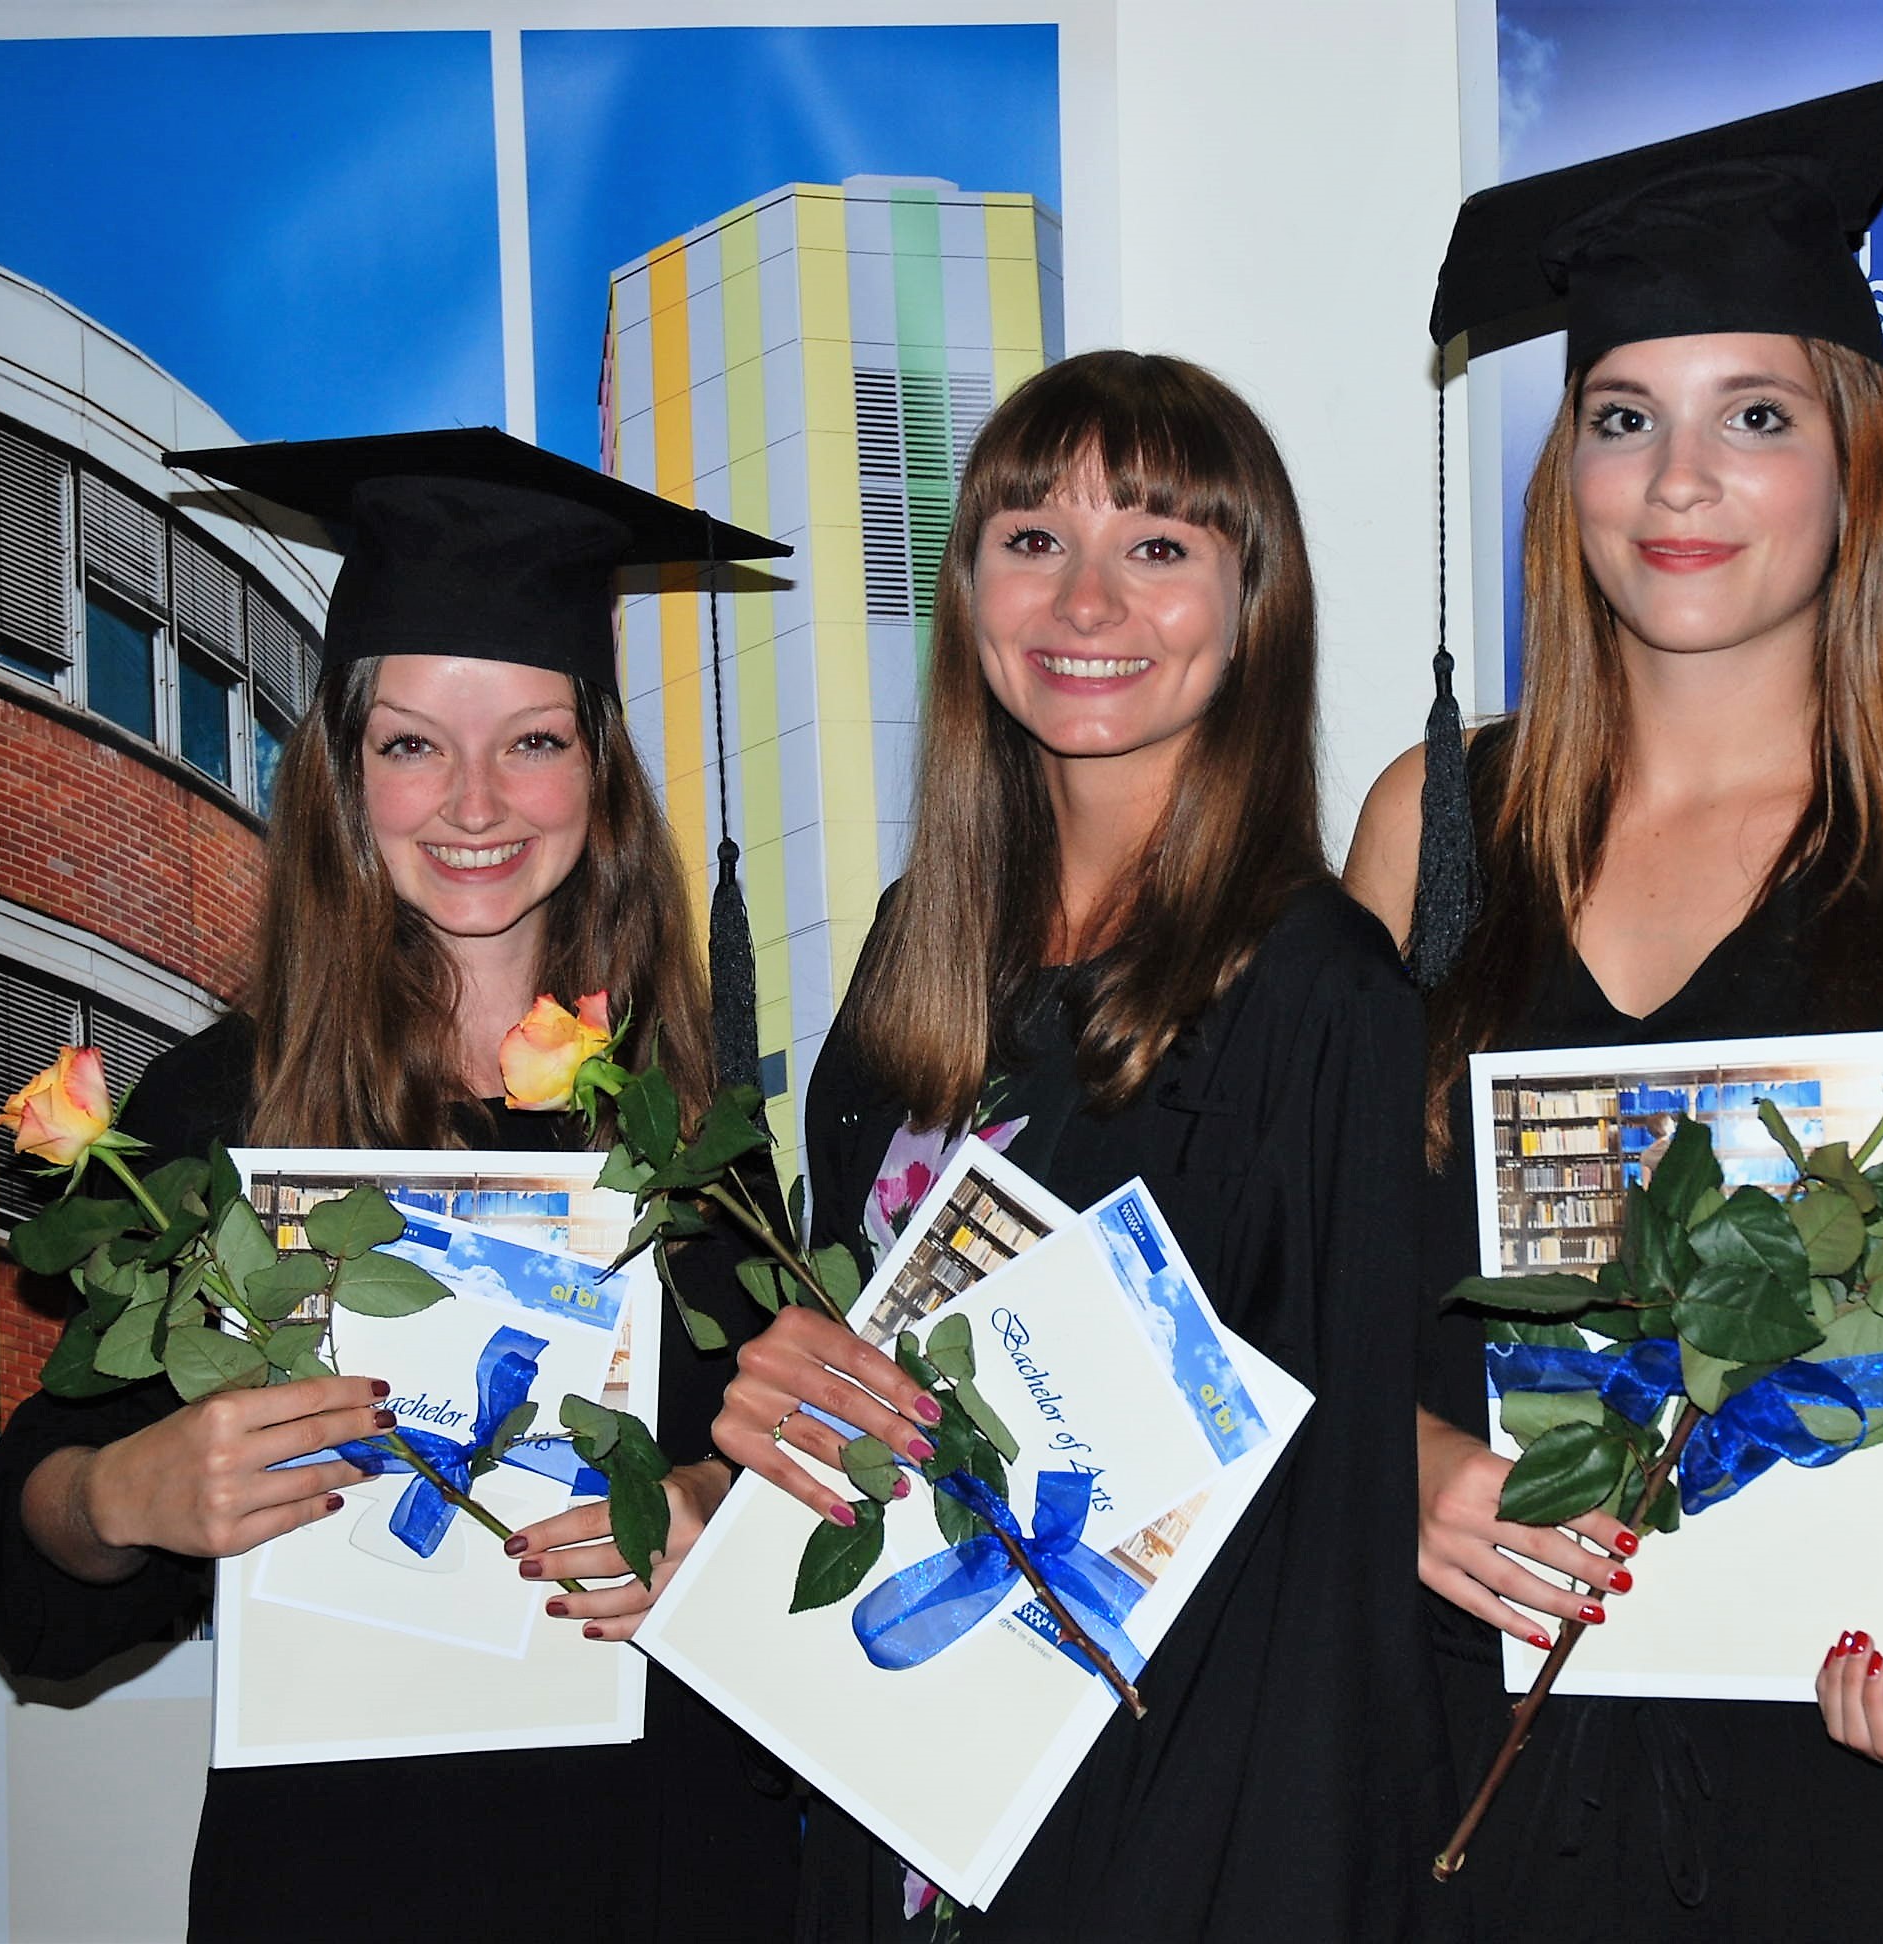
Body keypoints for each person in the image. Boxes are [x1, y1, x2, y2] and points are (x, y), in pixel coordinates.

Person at [1343, 69, 1883, 1937]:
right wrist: (1399, 1465)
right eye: (1623, 419)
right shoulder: (1432, 828)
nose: (1679, 480)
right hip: (1483, 1777)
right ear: (1565, 474)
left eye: (1756, 415)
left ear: (1858, 470)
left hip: (1859, 1783)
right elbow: (1303, 1271)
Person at [0, 430, 805, 1940]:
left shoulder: (686, 1127)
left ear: (600, 773)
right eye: (412, 744)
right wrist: (126, 1492)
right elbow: (22, 1565)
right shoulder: (228, 1110)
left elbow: (794, 1477)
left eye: (532, 740)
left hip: (669, 1866)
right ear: (344, 772)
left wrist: (699, 1508)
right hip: (350, 1874)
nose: (474, 803)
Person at [706, 351, 1465, 1942]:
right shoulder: (922, 947)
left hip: (1164, 1836)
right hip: (894, 1779)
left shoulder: (1318, 991)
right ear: (970, 591)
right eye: (1034, 539)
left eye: (1158, 545)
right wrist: (788, 1389)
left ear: (1254, 607)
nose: (1086, 600)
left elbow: (1331, 1557)